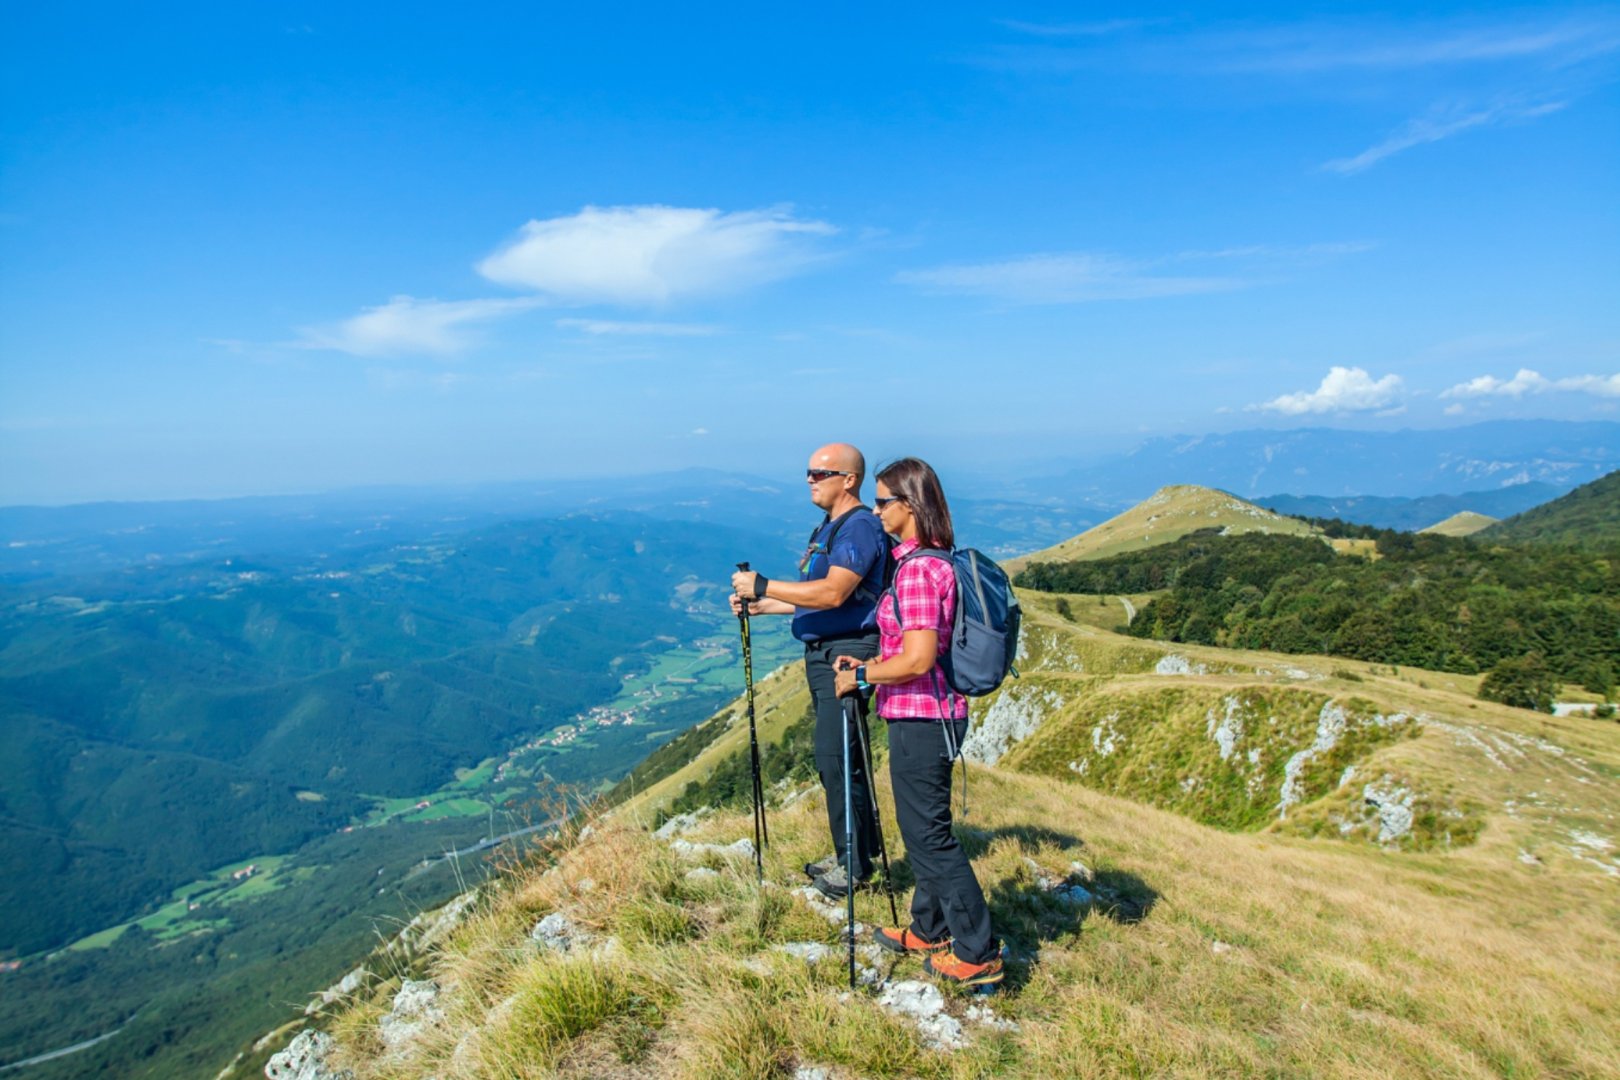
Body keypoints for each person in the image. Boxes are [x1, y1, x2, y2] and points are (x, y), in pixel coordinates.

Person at [833, 457, 1003, 987]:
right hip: (935, 715)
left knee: (927, 837)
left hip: (921, 716)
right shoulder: (934, 561)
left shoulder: (919, 571)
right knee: (926, 828)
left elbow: (918, 658)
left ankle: (978, 952)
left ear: (910, 506)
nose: (877, 509)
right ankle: (929, 929)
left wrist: (862, 676)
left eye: (883, 501)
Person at [730, 443, 889, 900]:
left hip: (847, 653)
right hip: (826, 650)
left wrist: (762, 584)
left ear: (849, 479)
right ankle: (853, 854)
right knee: (841, 757)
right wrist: (762, 605)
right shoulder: (832, 527)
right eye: (808, 472)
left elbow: (835, 594)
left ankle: (854, 865)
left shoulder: (858, 527)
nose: (809, 479)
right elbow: (813, 595)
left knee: (836, 756)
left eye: (820, 473)